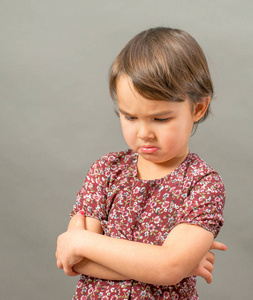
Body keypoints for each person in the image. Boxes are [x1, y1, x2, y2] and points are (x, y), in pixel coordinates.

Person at [56, 27, 227, 299]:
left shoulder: (202, 184)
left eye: (160, 119)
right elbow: (75, 260)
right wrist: (169, 265)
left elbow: (169, 267)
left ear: (197, 108)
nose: (144, 133)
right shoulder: (106, 170)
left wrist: (85, 242)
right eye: (130, 117)